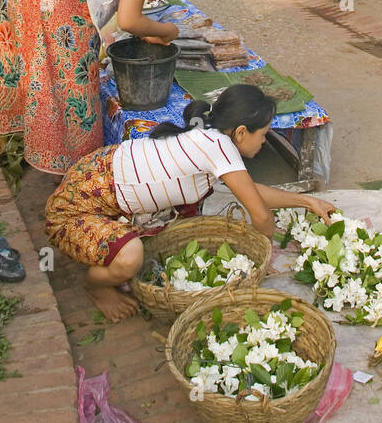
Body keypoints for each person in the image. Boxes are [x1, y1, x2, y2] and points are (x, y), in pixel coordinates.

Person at [44, 85, 338, 322]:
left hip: (95, 177)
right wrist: (261, 258)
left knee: (149, 242)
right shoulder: (219, 148)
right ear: (241, 133)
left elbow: (250, 191)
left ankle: (111, 253)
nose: (263, 142)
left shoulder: (210, 136)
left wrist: (305, 201)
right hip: (73, 211)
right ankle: (97, 287)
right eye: (263, 135)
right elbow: (260, 216)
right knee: (131, 259)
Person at [0, 0, 195, 177]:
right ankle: (79, 177)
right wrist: (167, 30)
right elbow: (129, 19)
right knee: (71, 87)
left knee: (39, 73)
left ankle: (36, 151)